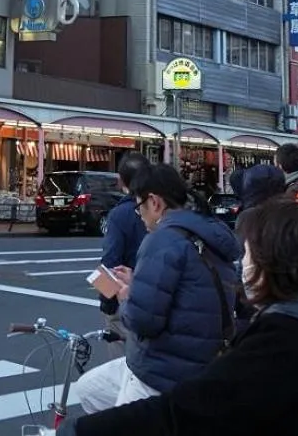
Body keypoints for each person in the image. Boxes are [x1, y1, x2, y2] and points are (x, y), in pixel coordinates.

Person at [69, 199, 298, 436]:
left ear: (274, 262)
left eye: (248, 254)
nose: (242, 265)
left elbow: (189, 414)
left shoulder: (290, 340)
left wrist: (81, 431)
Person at [74, 164, 240, 413]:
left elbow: (143, 321)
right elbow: (188, 289)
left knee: (105, 415)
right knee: (89, 388)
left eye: (139, 206)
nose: (138, 215)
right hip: (200, 363)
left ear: (155, 202)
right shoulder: (208, 231)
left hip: (162, 370)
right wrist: (138, 281)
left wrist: (125, 295)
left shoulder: (163, 239)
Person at [97, 153, 150, 347]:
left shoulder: (120, 214)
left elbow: (110, 260)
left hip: (127, 297)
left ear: (121, 180)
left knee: (123, 362)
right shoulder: (162, 208)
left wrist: (106, 300)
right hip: (159, 297)